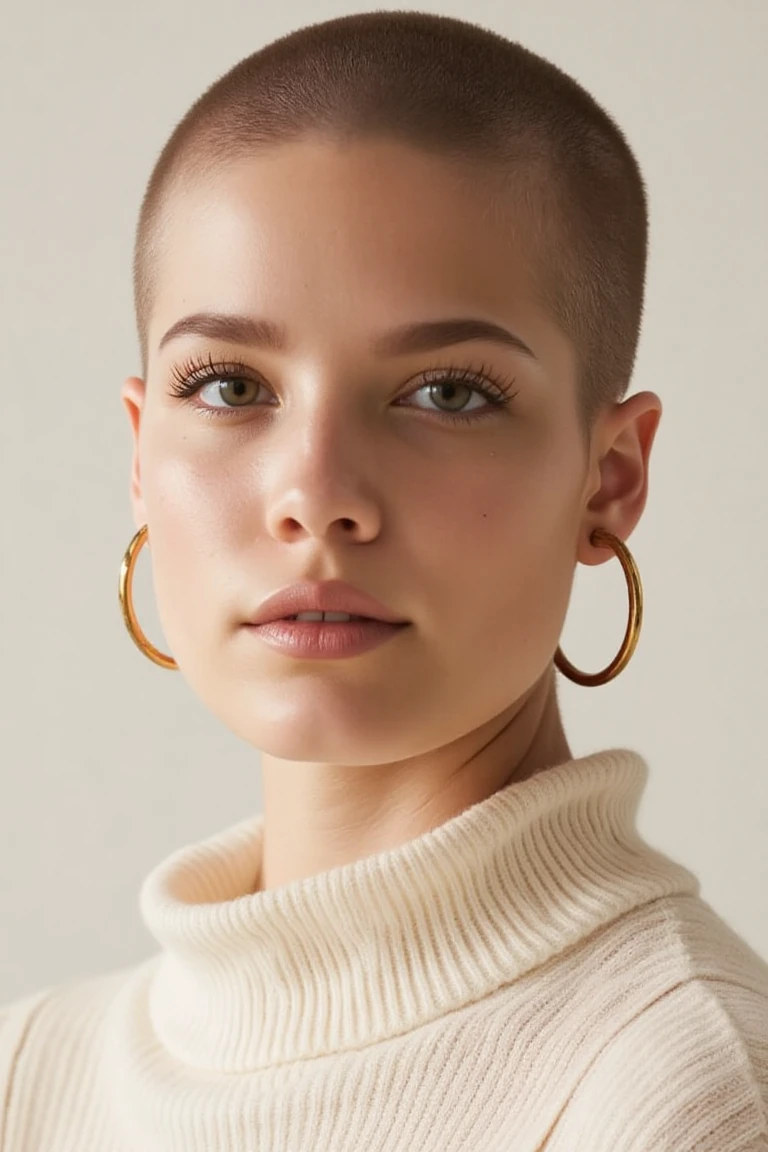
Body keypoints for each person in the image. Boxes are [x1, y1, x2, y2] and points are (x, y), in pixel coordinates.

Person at [2, 10, 767, 1151]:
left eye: (447, 393)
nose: (316, 493)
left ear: (608, 481)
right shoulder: (27, 1074)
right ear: (138, 458)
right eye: (227, 387)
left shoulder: (684, 1088)